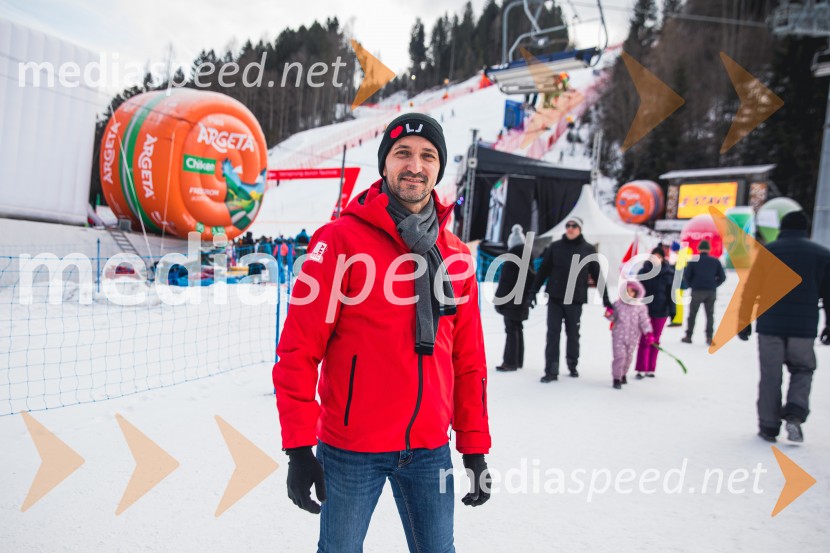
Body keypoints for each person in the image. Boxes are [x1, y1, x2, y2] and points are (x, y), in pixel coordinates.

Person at [273, 112, 491, 553]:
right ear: (385, 164)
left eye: (428, 156)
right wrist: (297, 448)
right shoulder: (339, 241)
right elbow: (298, 350)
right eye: (403, 153)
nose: (416, 165)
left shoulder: (455, 255)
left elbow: (467, 360)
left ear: (439, 168)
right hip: (352, 450)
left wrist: (473, 446)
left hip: (431, 449)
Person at [738, 211, 830, 443]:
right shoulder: (822, 255)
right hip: (804, 328)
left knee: (771, 374)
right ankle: (795, 413)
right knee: (803, 369)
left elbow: (750, 289)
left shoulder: (768, 251)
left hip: (770, 325)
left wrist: (743, 321)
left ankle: (768, 426)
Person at [531, 216, 612, 382]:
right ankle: (551, 370)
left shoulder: (588, 249)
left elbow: (597, 275)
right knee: (553, 334)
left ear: (580, 229)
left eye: (574, 226)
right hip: (555, 297)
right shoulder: (555, 247)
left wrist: (606, 299)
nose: (570, 228)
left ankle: (572, 363)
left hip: (575, 299)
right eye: (568, 225)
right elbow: (543, 271)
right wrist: (532, 292)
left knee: (573, 334)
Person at [494, 225, 536, 372]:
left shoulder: (511, 260)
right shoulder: (527, 259)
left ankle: (510, 362)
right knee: (518, 328)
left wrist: (498, 300)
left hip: (511, 301)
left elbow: (504, 283)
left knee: (511, 329)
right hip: (522, 300)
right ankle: (518, 360)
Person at [635, 246, 676, 378]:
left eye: (659, 257)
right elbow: (636, 290)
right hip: (644, 311)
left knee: (655, 340)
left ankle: (651, 368)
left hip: (661, 311)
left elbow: (671, 294)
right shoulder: (643, 271)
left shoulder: (668, 273)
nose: (656, 259)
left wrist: (672, 310)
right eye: (654, 256)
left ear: (663, 258)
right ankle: (641, 368)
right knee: (644, 339)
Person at [607, 280, 654, 389]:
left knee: (628, 358)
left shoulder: (640, 307)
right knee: (620, 357)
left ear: (636, 293)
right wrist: (609, 313)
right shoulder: (618, 304)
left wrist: (648, 333)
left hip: (633, 337)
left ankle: (623, 374)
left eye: (631, 292)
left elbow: (644, 321)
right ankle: (616, 378)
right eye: (626, 292)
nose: (629, 294)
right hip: (618, 336)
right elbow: (612, 317)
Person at [681, 240, 725, 345]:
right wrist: (714, 285)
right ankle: (709, 337)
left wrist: (692, 285)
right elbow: (722, 277)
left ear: (699, 249)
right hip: (711, 292)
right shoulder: (715, 261)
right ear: (709, 250)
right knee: (710, 315)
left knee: (692, 314)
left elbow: (686, 276)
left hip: (697, 291)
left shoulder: (693, 261)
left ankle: (688, 336)